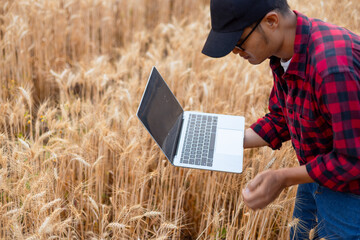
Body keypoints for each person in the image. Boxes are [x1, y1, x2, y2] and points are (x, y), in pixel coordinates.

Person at [202, 0, 360, 239]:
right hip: (315, 171)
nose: (236, 52)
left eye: (238, 42)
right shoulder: (284, 54)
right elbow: (283, 117)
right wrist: (224, 139)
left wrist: (282, 178)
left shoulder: (332, 69)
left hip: (351, 192)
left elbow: (352, 160)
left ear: (272, 21)